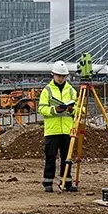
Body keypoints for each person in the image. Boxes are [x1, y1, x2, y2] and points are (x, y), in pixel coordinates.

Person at [36, 61, 79, 192]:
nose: (61, 78)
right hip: (52, 130)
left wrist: (72, 110)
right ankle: (48, 183)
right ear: (53, 75)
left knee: (68, 158)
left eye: (63, 76)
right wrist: (55, 110)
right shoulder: (47, 91)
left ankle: (66, 182)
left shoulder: (71, 90)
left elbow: (79, 108)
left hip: (67, 129)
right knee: (50, 157)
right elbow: (42, 109)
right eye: (59, 76)